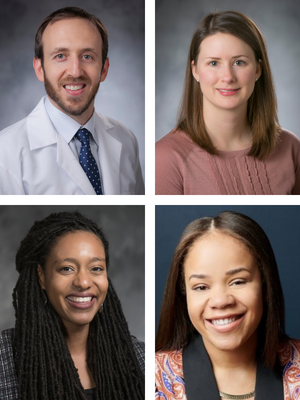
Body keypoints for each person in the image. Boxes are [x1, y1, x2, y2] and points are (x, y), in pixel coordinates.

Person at [0, 211, 145, 400]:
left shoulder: (138, 357)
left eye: (96, 269)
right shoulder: (4, 358)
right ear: (41, 276)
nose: (84, 282)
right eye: (67, 268)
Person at [155, 211, 300, 399]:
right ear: (184, 295)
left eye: (238, 281)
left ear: (265, 285)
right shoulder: (153, 380)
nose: (220, 301)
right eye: (201, 287)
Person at [0, 7, 144, 195]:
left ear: (104, 69)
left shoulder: (126, 139)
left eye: (87, 56)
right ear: (39, 68)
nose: (75, 72)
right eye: (60, 56)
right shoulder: (6, 151)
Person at [155, 11, 300, 195]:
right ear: (195, 70)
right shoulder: (165, 158)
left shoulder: (291, 148)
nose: (228, 77)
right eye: (214, 63)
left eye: (239, 62)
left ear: (258, 69)